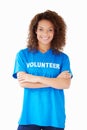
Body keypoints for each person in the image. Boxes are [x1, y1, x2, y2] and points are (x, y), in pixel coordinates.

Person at [12, 10, 73, 130]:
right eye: (41, 29)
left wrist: (35, 78)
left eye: (50, 29)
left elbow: (65, 84)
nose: (45, 33)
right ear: (35, 30)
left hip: (54, 117)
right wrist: (55, 81)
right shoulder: (23, 55)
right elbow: (23, 82)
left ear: (56, 32)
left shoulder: (63, 58)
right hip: (29, 116)